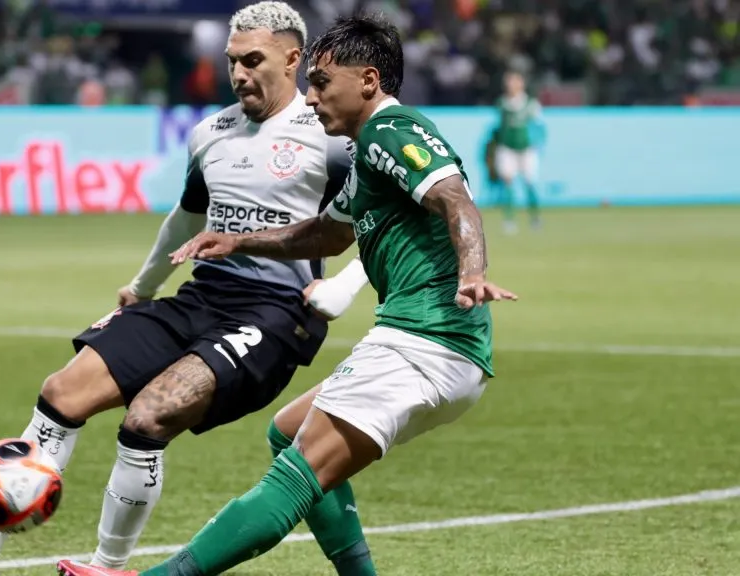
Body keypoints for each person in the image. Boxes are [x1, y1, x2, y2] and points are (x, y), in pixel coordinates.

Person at [0, 2, 378, 575]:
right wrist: (141, 288)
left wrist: (343, 287)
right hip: (204, 296)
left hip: (275, 315)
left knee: (148, 417)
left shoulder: (330, 137)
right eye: (231, 61)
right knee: (64, 390)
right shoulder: (211, 132)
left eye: (253, 60)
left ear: (292, 60)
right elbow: (185, 219)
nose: (239, 73)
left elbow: (385, 218)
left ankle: (108, 565)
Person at [57, 13, 518, 576]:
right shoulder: (367, 154)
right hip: (443, 349)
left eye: (322, 82)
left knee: (294, 478)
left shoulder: (390, 130)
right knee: (288, 431)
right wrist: (240, 240)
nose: (312, 95)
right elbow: (326, 234)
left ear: (368, 81)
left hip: (423, 342)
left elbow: (455, 198)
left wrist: (472, 270)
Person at [494, 70, 543, 233]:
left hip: (527, 149)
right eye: (508, 82)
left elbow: (539, 126)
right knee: (508, 182)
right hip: (507, 148)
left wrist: (537, 142)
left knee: (530, 182)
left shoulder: (531, 104)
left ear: (522, 83)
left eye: (514, 81)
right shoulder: (502, 103)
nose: (511, 85)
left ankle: (535, 218)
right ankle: (509, 220)